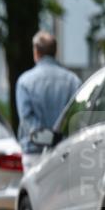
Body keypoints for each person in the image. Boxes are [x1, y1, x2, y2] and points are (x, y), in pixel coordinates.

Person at [15, 31, 82, 169]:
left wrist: (45, 138)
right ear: (55, 52)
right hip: (64, 152)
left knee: (33, 190)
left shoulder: (25, 81)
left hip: (34, 153)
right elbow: (77, 117)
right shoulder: (73, 81)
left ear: (36, 52)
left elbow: (27, 118)